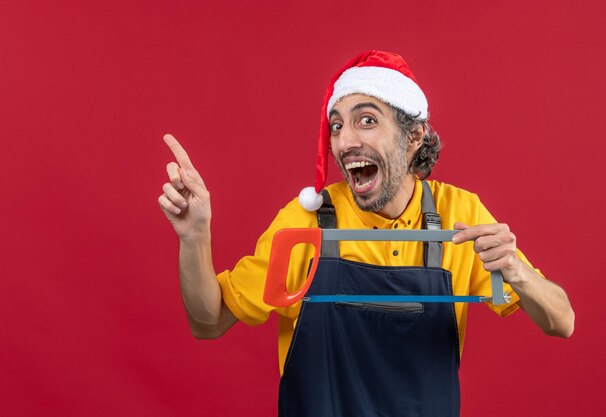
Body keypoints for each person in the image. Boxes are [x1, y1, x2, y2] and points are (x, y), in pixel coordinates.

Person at [158, 50, 574, 417]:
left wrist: (518, 274)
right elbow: (207, 323)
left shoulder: (459, 217)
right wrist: (195, 235)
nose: (345, 141)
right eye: (336, 126)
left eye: (367, 121)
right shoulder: (306, 222)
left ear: (414, 138)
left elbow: (563, 321)